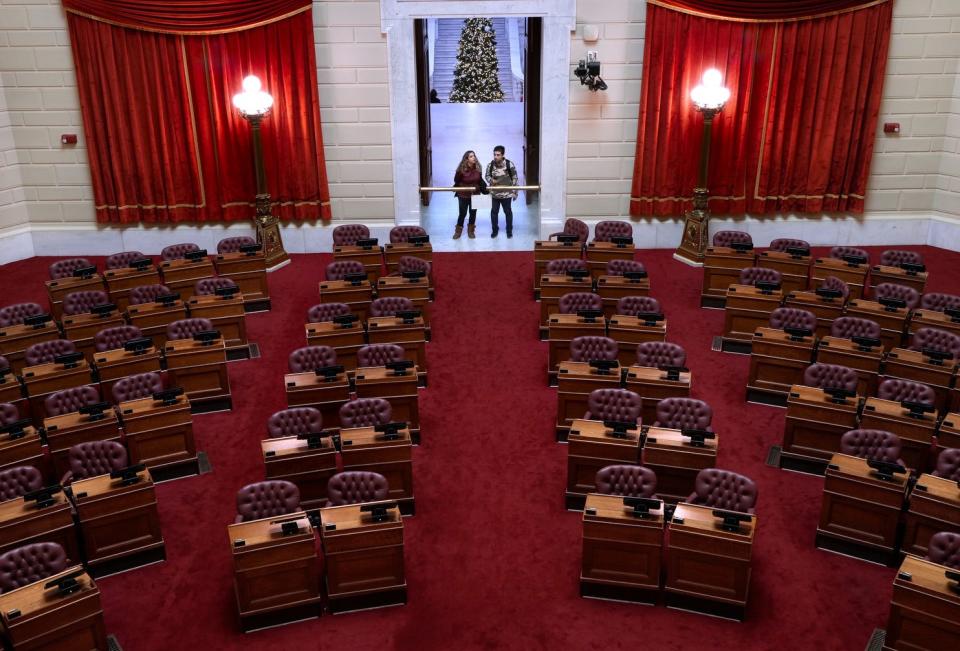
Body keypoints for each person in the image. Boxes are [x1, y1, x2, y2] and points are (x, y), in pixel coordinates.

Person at [485, 145, 519, 238]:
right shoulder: (491, 165)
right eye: (494, 155)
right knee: (494, 213)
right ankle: (495, 230)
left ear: (503, 155)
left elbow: (515, 178)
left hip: (507, 194)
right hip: (494, 194)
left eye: (498, 155)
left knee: (508, 212)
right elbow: (487, 176)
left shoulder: (509, 164)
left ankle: (509, 231)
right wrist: (491, 180)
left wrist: (515, 192)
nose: (495, 157)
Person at [452, 150, 483, 239]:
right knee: (463, 213)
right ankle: (458, 231)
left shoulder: (478, 167)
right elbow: (456, 181)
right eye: (471, 156)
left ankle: (471, 230)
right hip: (463, 194)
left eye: (474, 156)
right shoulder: (461, 170)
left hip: (475, 193)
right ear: (466, 159)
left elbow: (479, 180)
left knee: (473, 213)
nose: (474, 158)